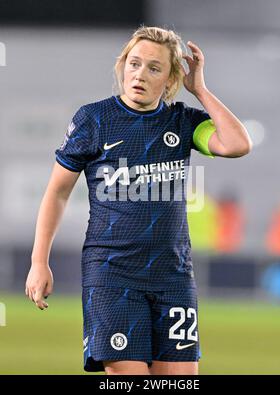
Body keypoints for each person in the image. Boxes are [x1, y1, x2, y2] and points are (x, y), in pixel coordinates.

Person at [25, 26, 252, 375]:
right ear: (122, 66)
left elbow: (237, 145)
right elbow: (57, 191)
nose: (140, 75)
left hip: (173, 275)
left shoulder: (184, 121)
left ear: (172, 78)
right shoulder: (94, 120)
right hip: (112, 273)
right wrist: (39, 261)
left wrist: (201, 91)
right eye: (134, 64)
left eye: (154, 68)